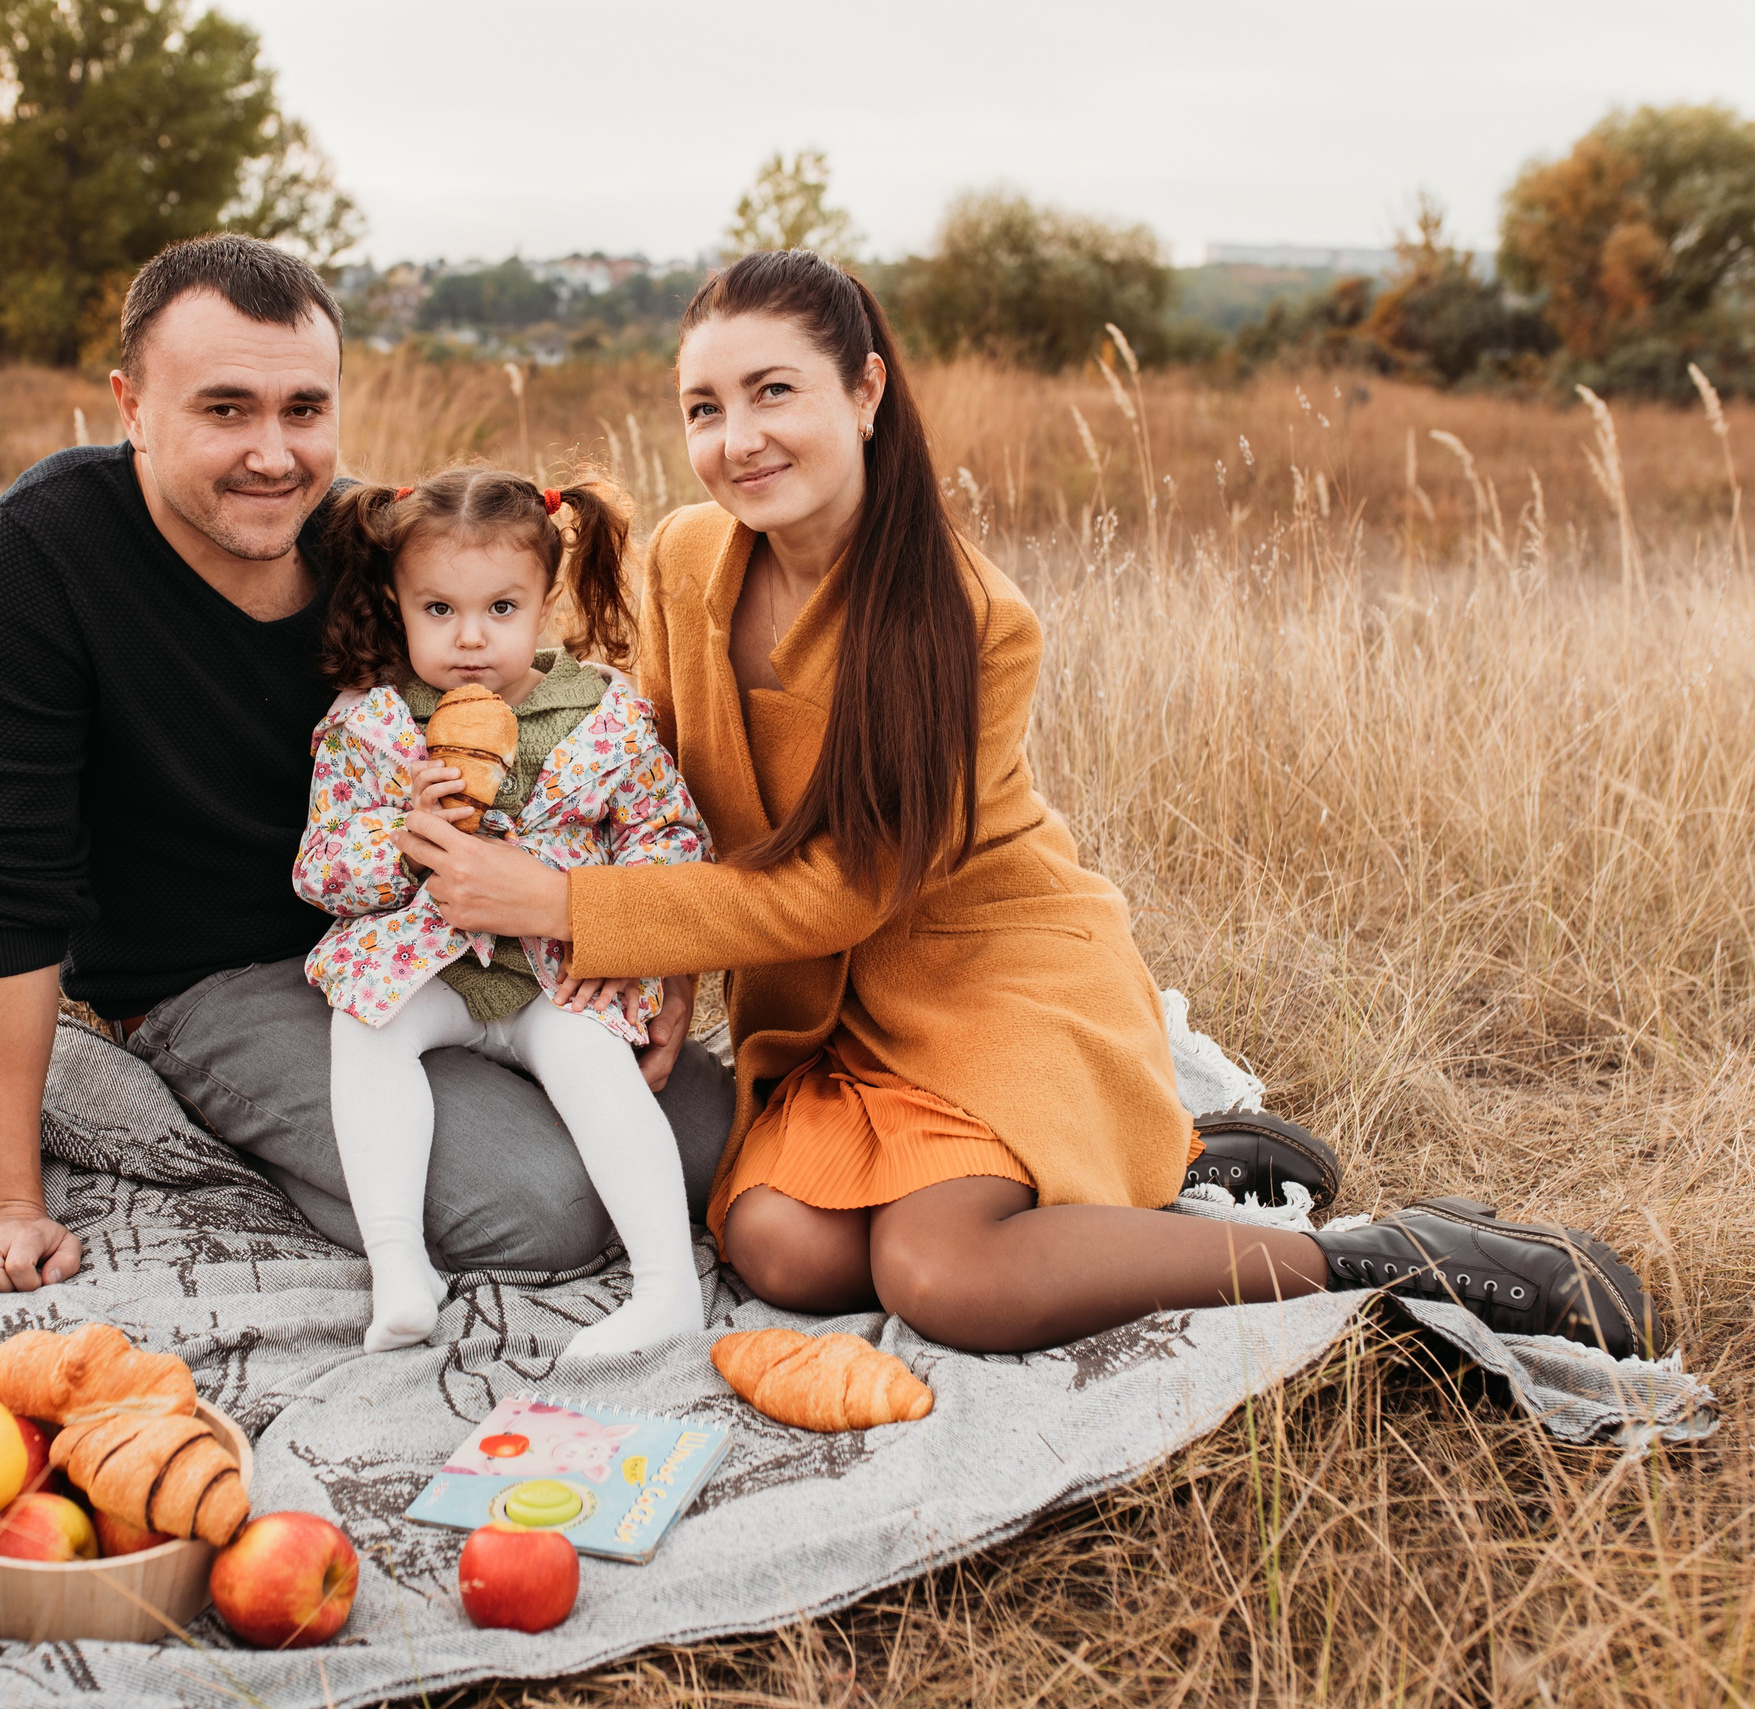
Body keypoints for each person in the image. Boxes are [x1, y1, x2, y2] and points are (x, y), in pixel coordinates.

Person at [397, 251, 1656, 1358]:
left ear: (867, 391)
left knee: (942, 1273)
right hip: (818, 1004)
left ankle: (1383, 1253)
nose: (740, 438)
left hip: (985, 972)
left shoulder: (966, 615)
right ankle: (1172, 1159)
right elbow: (661, 780)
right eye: (705, 407)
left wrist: (567, 904)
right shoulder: (685, 556)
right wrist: (658, 966)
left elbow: (850, 887)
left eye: (775, 391)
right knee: (782, 1252)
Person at [0, 235, 734, 1294]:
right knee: (541, 1209)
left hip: (432, 934)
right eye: (225, 409)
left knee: (713, 1137)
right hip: (208, 977)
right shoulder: (37, 560)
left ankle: (442, 1121)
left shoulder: (368, 543)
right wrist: (10, 1203)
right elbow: (9, 879)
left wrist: (642, 944)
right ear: (130, 405)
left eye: (303, 410)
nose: (273, 454)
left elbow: (555, 716)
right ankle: (229, 1140)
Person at [297, 469, 710, 1359]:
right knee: (362, 1029)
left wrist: (618, 923)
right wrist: (400, 836)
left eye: (500, 608)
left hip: (556, 971)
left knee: (595, 1062)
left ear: (547, 602)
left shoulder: (605, 717)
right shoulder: (369, 726)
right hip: (429, 964)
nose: (471, 638)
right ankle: (400, 1265)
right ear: (398, 604)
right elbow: (319, 869)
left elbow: (670, 835)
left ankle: (669, 1286)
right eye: (438, 610)